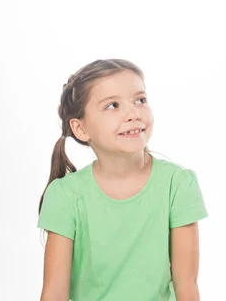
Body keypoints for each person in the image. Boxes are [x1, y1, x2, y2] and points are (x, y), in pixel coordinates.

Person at [37, 59, 207, 301]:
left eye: (140, 100)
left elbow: (187, 285)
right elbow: (54, 293)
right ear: (81, 129)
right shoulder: (65, 195)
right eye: (113, 105)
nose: (133, 113)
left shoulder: (177, 184)